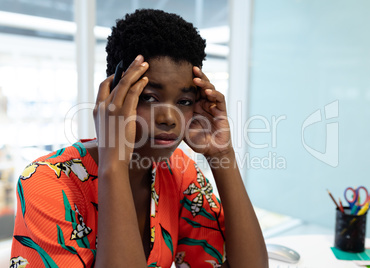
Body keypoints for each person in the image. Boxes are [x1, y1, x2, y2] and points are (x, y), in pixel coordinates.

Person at [10, 9, 268, 268]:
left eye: (185, 101)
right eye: (149, 97)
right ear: (112, 95)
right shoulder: (46, 183)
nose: (169, 117)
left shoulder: (179, 172)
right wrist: (115, 164)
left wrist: (222, 154)